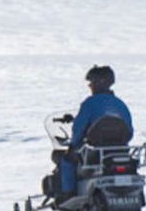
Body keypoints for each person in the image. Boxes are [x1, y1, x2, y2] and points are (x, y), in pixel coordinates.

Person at [55, 65, 134, 203]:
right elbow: (129, 130)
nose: (90, 86)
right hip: (120, 152)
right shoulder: (120, 104)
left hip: (94, 154)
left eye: (91, 83)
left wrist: (73, 146)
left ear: (99, 83)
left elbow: (78, 129)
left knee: (67, 162)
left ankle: (68, 197)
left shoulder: (89, 104)